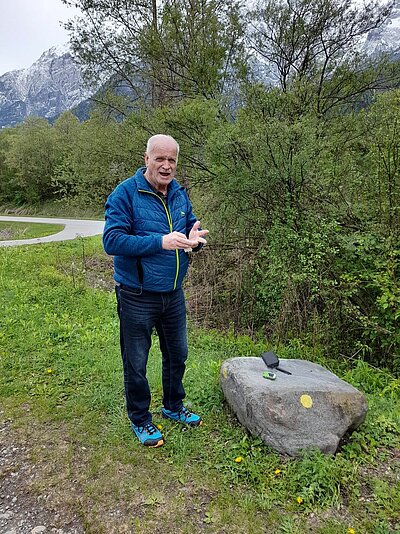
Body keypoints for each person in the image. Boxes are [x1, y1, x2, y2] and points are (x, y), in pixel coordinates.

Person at [103, 134, 208, 448]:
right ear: (146, 158)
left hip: (173, 293)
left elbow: (189, 228)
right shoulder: (125, 193)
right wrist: (160, 242)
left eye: (172, 160)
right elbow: (112, 241)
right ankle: (140, 419)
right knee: (136, 360)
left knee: (178, 354)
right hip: (136, 295)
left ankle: (173, 406)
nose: (166, 166)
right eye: (159, 159)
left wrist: (196, 241)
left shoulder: (179, 193)